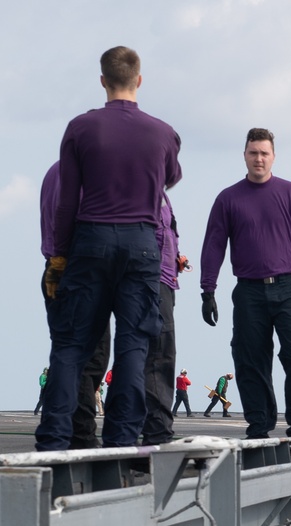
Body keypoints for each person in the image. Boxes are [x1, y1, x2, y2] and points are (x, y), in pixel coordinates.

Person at [35, 46, 182, 451]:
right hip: (141, 242)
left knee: (71, 345)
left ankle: (54, 440)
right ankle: (121, 440)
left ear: (102, 81)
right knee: (134, 345)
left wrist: (59, 256)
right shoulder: (162, 132)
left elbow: (66, 202)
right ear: (139, 80)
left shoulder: (80, 128)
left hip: (91, 239)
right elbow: (170, 179)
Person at [200, 128, 291, 439]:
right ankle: (259, 424)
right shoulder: (228, 199)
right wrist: (208, 289)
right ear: (244, 155)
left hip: (288, 287)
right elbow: (214, 244)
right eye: (253, 152)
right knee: (250, 359)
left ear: (273, 157)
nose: (258, 158)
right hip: (248, 290)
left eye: (264, 153)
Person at [38, 161, 112, 448]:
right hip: (80, 269)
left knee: (67, 353)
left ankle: (56, 429)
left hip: (55, 269)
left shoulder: (53, 171)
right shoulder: (85, 174)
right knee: (90, 357)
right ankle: (80, 435)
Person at [141, 192, 183, 445]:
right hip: (150, 279)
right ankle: (157, 434)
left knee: (157, 355)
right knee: (158, 356)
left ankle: (151, 431)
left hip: (165, 279)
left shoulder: (162, 194)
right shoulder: (140, 182)